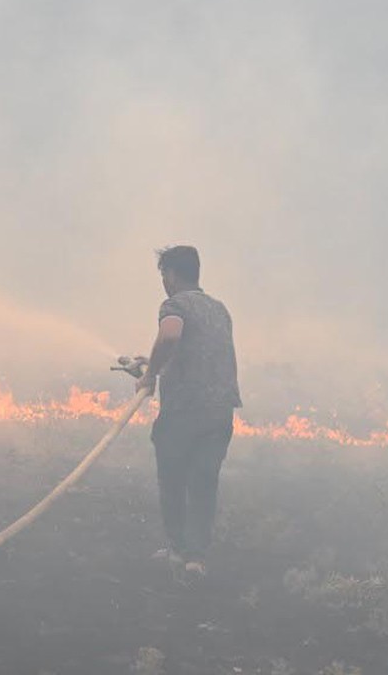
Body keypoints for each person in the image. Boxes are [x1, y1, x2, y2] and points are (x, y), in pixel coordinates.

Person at [138, 244, 240, 576]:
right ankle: (196, 558)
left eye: (163, 274)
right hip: (220, 411)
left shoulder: (175, 304)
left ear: (170, 274)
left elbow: (170, 336)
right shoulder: (219, 309)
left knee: (172, 478)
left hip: (185, 411)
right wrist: (151, 364)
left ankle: (177, 550)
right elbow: (195, 352)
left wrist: (150, 375)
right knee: (203, 480)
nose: (163, 281)